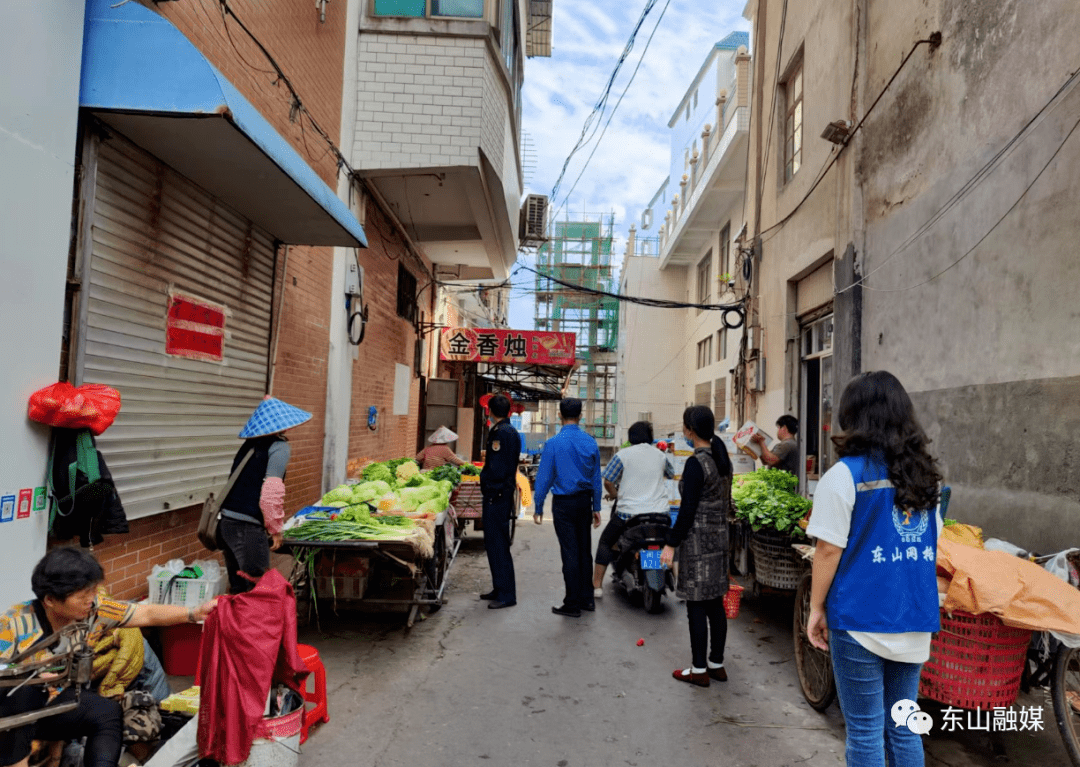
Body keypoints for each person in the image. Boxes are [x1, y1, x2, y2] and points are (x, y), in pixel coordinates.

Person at [805, 371, 942, 767]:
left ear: (852, 417)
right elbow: (932, 542)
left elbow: (828, 550)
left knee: (865, 731)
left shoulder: (844, 475)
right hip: (914, 616)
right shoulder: (925, 476)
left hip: (860, 618)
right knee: (904, 726)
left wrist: (816, 609)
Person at [0, 548, 217, 767]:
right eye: (81, 596)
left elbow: (144, 613)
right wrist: (30, 675)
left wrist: (194, 613)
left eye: (92, 592)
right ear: (50, 600)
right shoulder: (13, 624)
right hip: (12, 713)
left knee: (107, 713)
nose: (90, 600)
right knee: (23, 695)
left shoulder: (95, 611)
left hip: (54, 705)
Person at [660, 405, 733, 687]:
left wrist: (670, 544)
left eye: (684, 426)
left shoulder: (696, 463)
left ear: (690, 430)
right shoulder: (721, 459)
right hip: (720, 540)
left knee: (696, 606)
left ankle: (699, 669)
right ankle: (717, 663)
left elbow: (687, 511)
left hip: (698, 543)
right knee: (715, 602)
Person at [218, 396, 311, 594]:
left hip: (226, 524)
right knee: (258, 591)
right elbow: (270, 493)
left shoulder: (249, 444)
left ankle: (235, 625)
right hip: (247, 528)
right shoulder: (279, 447)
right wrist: (275, 528)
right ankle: (252, 625)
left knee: (238, 590)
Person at [533, 398, 603, 618]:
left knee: (570, 552)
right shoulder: (590, 442)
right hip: (584, 502)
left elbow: (544, 477)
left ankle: (571, 603)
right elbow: (596, 480)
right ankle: (587, 600)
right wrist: (597, 507)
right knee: (584, 551)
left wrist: (538, 506)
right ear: (580, 416)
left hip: (563, 504)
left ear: (559, 416)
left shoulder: (553, 443)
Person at [593, 421, 674, 599]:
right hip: (659, 515)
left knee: (606, 542)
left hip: (628, 515)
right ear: (650, 437)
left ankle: (597, 586)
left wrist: (615, 494)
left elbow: (607, 480)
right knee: (670, 543)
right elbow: (670, 473)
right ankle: (677, 581)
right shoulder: (660, 455)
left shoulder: (623, 455)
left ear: (631, 437)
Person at [479, 395, 521, 609]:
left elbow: (497, 467)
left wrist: (488, 485)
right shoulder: (509, 431)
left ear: (490, 410)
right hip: (500, 494)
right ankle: (499, 587)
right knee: (494, 544)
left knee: (498, 544)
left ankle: (506, 594)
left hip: (497, 495)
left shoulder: (500, 433)